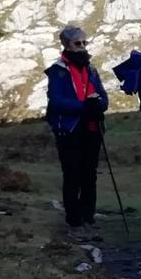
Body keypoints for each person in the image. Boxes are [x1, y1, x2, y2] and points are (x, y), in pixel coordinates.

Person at [45, 25, 109, 241]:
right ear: (67, 45)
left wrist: (99, 105)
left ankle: (89, 217)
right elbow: (56, 100)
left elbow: (102, 95)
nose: (82, 47)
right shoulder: (58, 70)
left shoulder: (91, 69)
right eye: (77, 43)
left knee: (89, 175)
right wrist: (84, 106)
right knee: (72, 175)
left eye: (84, 43)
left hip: (91, 127)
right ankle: (74, 221)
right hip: (70, 128)